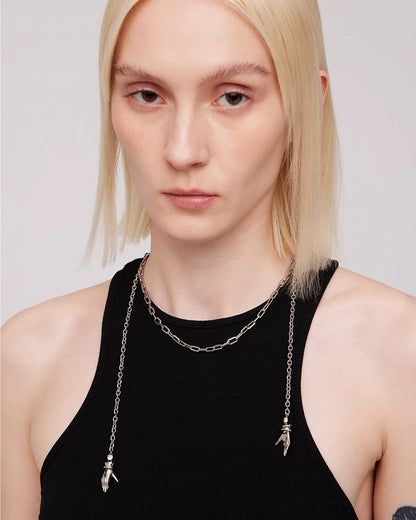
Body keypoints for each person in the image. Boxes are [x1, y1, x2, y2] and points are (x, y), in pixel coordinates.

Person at [2, 0, 415, 518]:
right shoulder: (27, 360)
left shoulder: (398, 352)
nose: (182, 151)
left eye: (233, 97)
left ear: (308, 101)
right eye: (147, 95)